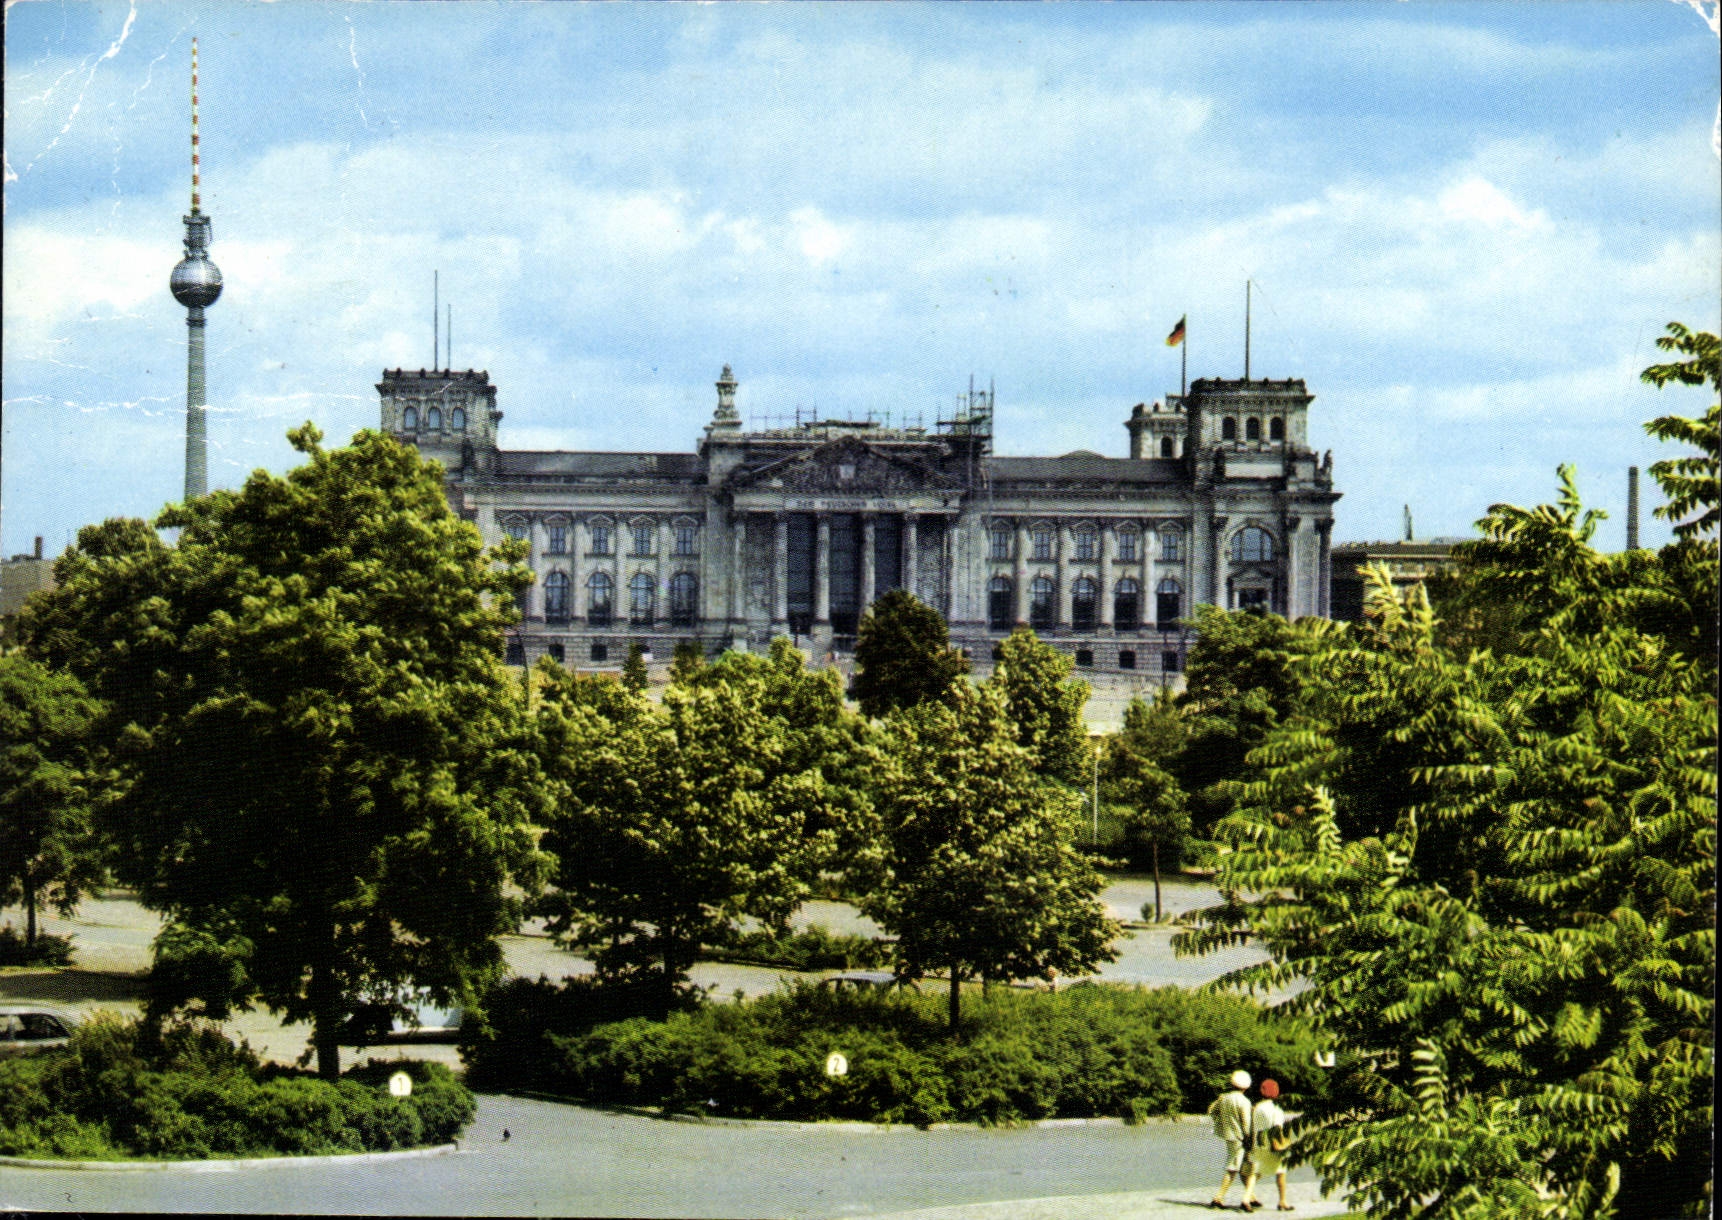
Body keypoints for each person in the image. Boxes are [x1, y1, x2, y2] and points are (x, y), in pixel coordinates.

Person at [1207, 1069, 1255, 1210]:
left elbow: (1211, 1111)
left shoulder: (1224, 1098)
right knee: (1233, 1168)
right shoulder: (1244, 1101)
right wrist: (1249, 1139)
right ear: (1246, 1086)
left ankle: (1251, 1196)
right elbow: (1246, 1124)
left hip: (1228, 1136)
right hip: (1239, 1138)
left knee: (1241, 1166)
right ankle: (1218, 1198)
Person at [1243, 1078, 1293, 1212]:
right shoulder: (1276, 1109)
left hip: (1258, 1142)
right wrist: (1283, 1144)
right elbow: (1277, 1129)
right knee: (1281, 1172)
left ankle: (1246, 1198)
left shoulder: (1256, 1107)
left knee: (1255, 1172)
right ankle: (1282, 1201)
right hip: (1271, 1144)